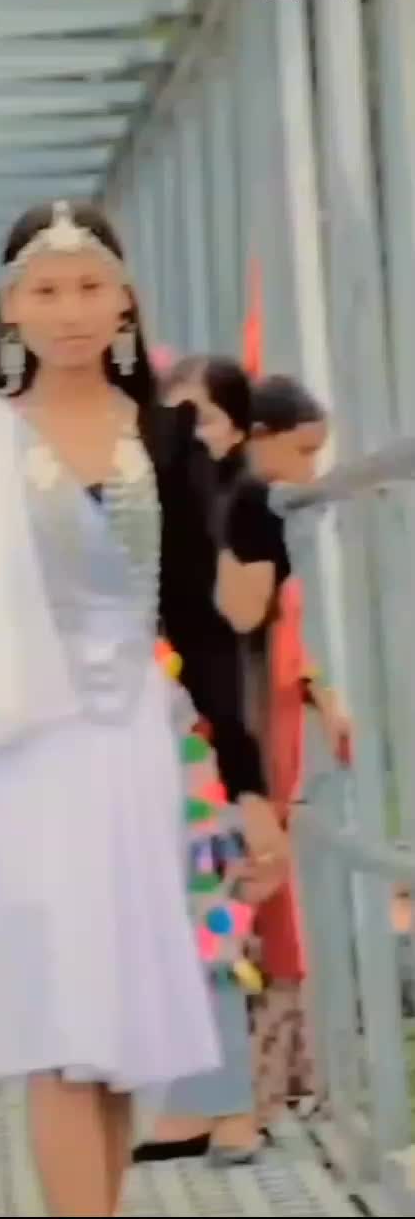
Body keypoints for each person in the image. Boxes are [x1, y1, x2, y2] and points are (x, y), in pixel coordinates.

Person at [0, 202, 287, 1217]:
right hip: (19, 763)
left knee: (115, 1037)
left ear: (124, 300)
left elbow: (199, 627)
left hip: (135, 753)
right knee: (58, 1029)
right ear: (10, 306)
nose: (70, 310)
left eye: (90, 287)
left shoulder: (167, 437)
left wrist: (247, 786)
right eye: (47, 289)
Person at [134, 356, 267, 1164]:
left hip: (183, 724)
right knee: (155, 916)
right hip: (112, 723)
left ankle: (231, 1102)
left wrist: (244, 776)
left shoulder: (239, 501)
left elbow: (219, 629)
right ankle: (192, 1101)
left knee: (207, 902)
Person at [217, 373, 352, 1129]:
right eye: (302, 452)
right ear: (260, 438)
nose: (311, 471)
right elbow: (245, 631)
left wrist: (319, 693)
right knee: (257, 903)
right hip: (250, 739)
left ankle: (275, 1081)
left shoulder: (258, 507)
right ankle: (254, 1090)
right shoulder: (246, 508)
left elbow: (277, 637)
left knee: (267, 900)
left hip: (271, 729)